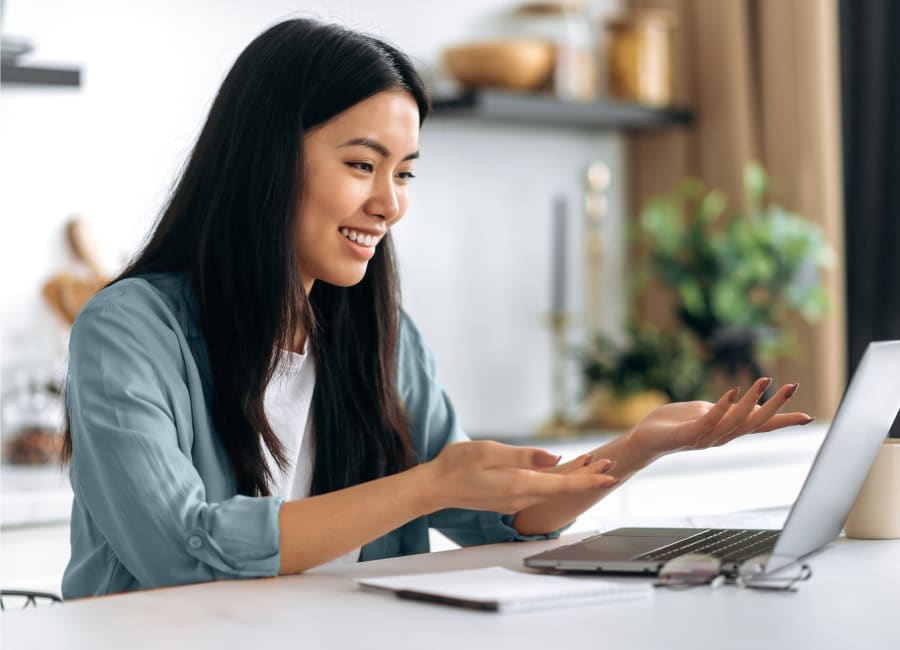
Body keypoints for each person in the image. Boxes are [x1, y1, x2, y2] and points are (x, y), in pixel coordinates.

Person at [59, 18, 812, 600]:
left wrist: (639, 446)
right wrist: (426, 484)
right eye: (362, 165)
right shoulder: (128, 331)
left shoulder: (380, 338)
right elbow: (180, 550)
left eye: (405, 172)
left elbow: (491, 516)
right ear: (267, 158)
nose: (389, 203)